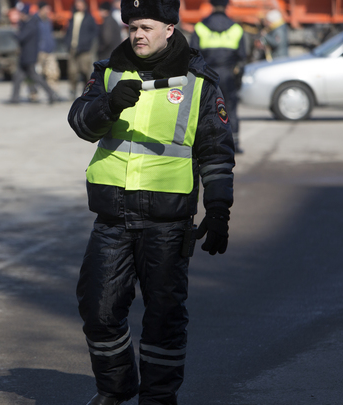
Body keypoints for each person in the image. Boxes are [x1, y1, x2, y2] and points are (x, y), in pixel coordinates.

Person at [67, 0, 235, 403]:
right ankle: (116, 388)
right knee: (99, 310)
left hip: (168, 220)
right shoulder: (108, 72)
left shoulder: (199, 81)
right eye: (132, 27)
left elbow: (215, 152)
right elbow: (79, 123)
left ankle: (158, 397)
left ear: (169, 29)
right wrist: (107, 106)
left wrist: (218, 210)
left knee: (164, 319)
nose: (137, 34)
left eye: (146, 27)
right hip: (113, 215)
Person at [189, 0, 246, 154]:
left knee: (205, 109)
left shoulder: (200, 27)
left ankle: (207, 144)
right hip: (228, 74)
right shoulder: (236, 28)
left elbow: (193, 54)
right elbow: (242, 56)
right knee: (230, 108)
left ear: (211, 5)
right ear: (227, 5)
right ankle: (234, 143)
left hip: (207, 74)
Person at [7, 2, 58, 104]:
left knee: (36, 77)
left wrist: (13, 33)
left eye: (20, 13)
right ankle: (14, 98)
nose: (19, 15)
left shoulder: (31, 24)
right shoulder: (26, 24)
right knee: (18, 77)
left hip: (29, 57)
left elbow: (21, 37)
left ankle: (51, 93)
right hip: (24, 57)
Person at [64, 0, 99, 99]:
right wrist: (67, 42)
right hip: (73, 49)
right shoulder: (72, 17)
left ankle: (87, 91)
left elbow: (94, 33)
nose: (78, 5)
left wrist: (87, 44)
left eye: (80, 3)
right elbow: (68, 32)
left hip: (84, 51)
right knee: (72, 72)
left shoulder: (89, 18)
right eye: (77, 3)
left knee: (85, 72)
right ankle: (72, 91)